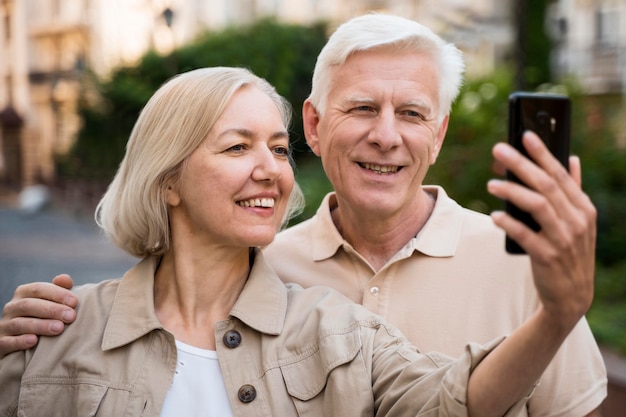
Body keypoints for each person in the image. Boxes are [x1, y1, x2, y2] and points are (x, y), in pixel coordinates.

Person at [0, 14, 605, 416]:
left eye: (275, 148)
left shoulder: (335, 327)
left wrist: (558, 311)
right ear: (317, 126)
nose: (387, 136)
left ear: (440, 133)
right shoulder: (61, 333)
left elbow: (459, 401)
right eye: (238, 146)